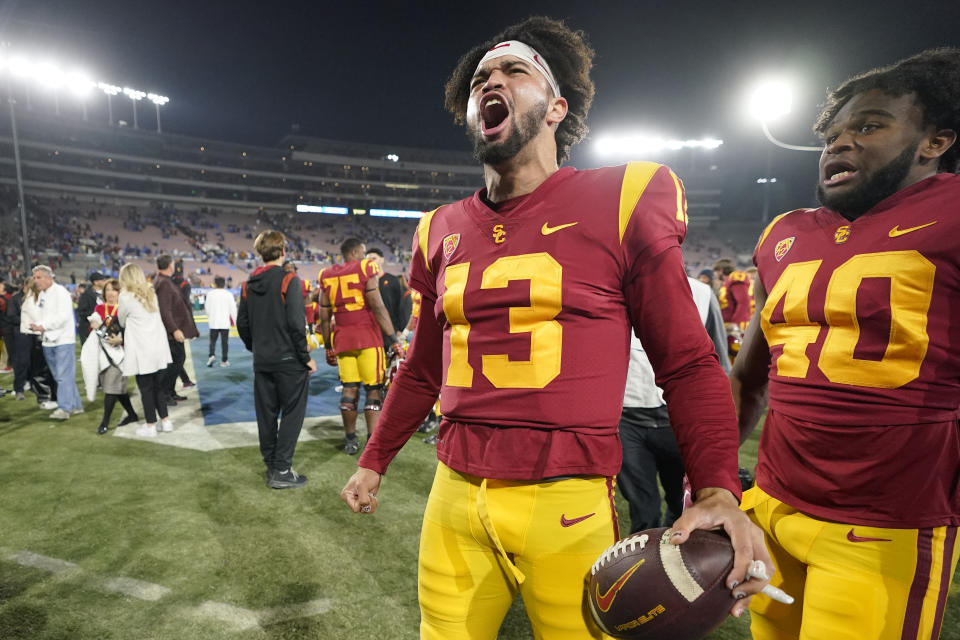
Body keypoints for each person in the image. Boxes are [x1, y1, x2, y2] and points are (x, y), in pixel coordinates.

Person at [340, 17, 770, 638]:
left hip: (564, 497)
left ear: (556, 108)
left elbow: (686, 362)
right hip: (453, 492)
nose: (494, 80)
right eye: (482, 78)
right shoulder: (439, 228)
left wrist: (717, 489)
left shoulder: (622, 199)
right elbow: (425, 368)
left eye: (515, 70)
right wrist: (374, 458)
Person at [730, 48, 960, 640]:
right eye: (833, 133)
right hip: (772, 507)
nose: (840, 143)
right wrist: (716, 485)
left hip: (884, 524)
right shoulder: (786, 233)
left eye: (869, 125)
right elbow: (749, 376)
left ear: (934, 142)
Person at [618, 276, 730, 535]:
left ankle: (672, 567)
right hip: (627, 420)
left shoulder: (701, 292)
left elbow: (719, 364)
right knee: (643, 511)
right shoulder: (612, 283)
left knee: (682, 506)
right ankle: (642, 570)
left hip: (678, 419)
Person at [237, 230, 317, 489]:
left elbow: (242, 324)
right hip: (289, 360)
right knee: (293, 413)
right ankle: (282, 469)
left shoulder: (248, 284)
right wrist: (305, 358)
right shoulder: (289, 280)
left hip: (263, 360)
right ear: (283, 251)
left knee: (266, 414)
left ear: (260, 253)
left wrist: (256, 348)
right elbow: (296, 323)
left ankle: (272, 464)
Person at [318, 238, 401, 455]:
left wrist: (328, 345)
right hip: (368, 338)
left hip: (343, 341)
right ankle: (372, 442)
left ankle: (350, 438)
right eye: (363, 252)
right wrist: (393, 339)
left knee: (349, 390)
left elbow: (324, 317)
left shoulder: (326, 274)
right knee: (373, 390)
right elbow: (377, 305)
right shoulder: (366, 267)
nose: (365, 256)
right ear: (355, 251)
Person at [118, 263, 173, 437]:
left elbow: (121, 321)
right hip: (157, 346)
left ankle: (150, 425)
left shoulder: (125, 296)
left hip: (142, 348)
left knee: (146, 388)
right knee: (158, 387)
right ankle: (165, 421)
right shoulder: (150, 293)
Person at [83, 278, 139, 435]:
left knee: (111, 388)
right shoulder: (100, 308)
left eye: (113, 290)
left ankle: (104, 422)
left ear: (119, 292)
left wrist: (120, 340)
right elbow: (93, 326)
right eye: (107, 290)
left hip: (121, 353)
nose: (110, 293)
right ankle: (133, 414)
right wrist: (94, 324)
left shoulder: (125, 308)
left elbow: (132, 331)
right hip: (104, 355)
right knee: (117, 388)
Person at [30, 265, 83, 420]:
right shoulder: (42, 295)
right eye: (34, 278)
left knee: (63, 376)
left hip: (63, 340)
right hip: (48, 340)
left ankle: (64, 408)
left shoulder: (61, 293)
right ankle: (76, 405)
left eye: (38, 277)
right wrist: (37, 325)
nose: (36, 281)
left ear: (48, 277)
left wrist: (43, 326)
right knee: (60, 376)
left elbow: (63, 317)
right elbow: (41, 314)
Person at [154, 254, 199, 405]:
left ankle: (170, 392)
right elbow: (165, 310)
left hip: (171, 331)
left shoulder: (163, 280)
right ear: (170, 265)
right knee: (176, 361)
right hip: (170, 333)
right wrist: (174, 329)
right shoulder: (164, 283)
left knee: (177, 360)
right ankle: (165, 393)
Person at [19, 276, 56, 408]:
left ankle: (45, 397)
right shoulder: (36, 299)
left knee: (39, 370)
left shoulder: (32, 300)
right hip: (36, 336)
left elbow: (38, 318)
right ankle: (47, 396)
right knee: (42, 369)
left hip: (36, 336)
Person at [365, 246, 408, 348]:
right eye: (368, 260)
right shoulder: (365, 282)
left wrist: (400, 329)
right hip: (371, 330)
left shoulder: (393, 280)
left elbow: (400, 307)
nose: (371, 262)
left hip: (391, 329)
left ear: (382, 260)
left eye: (374, 258)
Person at [204, 276, 237, 367]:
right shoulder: (229, 294)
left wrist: (210, 316)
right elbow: (233, 310)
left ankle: (211, 355)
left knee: (212, 341)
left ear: (215, 284)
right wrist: (235, 321)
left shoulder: (210, 294)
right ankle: (224, 361)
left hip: (214, 322)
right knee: (225, 342)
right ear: (224, 284)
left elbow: (207, 308)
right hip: (225, 323)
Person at [76, 272, 106, 339]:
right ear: (96, 282)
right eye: (102, 280)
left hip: (102, 327)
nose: (104, 281)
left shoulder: (106, 293)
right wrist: (97, 313)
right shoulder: (86, 295)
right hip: (88, 328)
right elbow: (81, 312)